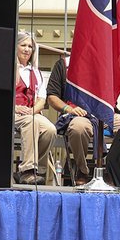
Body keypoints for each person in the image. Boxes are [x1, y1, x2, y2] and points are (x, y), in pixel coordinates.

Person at [12, 33, 55, 185]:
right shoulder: (7, 67)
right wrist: (16, 107)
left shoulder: (36, 72)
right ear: (15, 46)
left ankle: (38, 170)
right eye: (23, 45)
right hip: (12, 112)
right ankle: (27, 170)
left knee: (50, 129)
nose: (27, 49)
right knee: (31, 122)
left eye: (30, 46)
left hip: (30, 112)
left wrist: (31, 111)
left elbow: (41, 100)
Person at [45, 55, 95, 185]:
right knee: (78, 128)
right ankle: (83, 170)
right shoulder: (63, 65)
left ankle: (114, 174)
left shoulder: (102, 63)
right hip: (78, 115)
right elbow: (51, 97)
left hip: (101, 115)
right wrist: (68, 109)